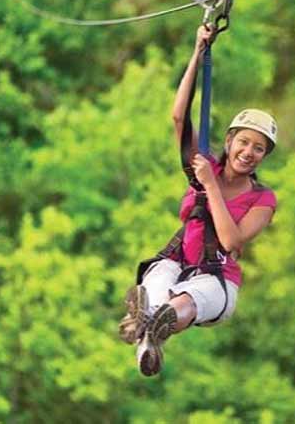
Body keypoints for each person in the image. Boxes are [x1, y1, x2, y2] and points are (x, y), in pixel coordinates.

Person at [119, 25, 278, 376]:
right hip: (177, 260)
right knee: (158, 281)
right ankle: (147, 332)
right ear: (230, 140)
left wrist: (210, 186)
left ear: (264, 157)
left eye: (259, 149)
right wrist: (197, 50)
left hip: (217, 278)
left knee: (185, 303)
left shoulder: (262, 198)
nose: (249, 153)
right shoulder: (204, 164)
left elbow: (231, 241)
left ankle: (150, 324)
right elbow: (179, 117)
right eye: (244, 143)